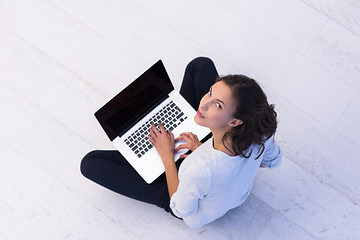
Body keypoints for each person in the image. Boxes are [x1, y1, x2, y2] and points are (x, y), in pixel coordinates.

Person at [80, 57, 282, 228]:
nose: (204, 104)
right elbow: (273, 161)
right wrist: (214, 155)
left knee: (90, 163)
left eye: (218, 106)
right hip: (217, 178)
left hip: (187, 197)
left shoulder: (198, 168)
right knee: (200, 65)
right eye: (210, 93)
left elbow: (182, 209)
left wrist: (167, 155)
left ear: (235, 122)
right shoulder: (259, 133)